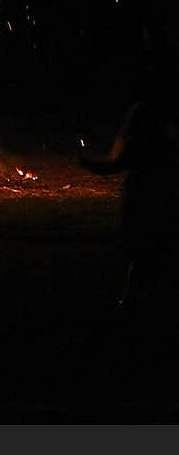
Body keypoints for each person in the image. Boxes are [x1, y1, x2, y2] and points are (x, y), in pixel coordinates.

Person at [80, 22, 179, 309]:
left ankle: (135, 300)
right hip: (159, 183)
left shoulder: (147, 115)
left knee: (141, 243)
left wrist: (93, 166)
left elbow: (122, 161)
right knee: (151, 244)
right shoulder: (154, 112)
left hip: (148, 187)